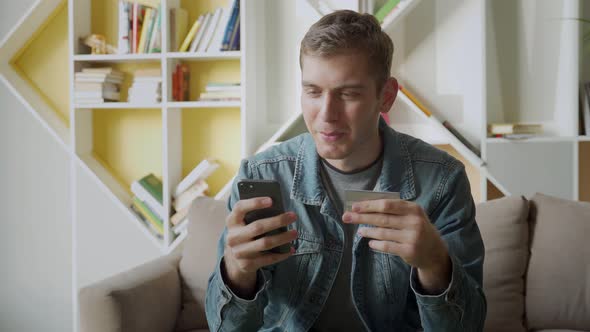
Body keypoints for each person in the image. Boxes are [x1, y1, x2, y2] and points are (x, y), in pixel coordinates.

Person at [205, 9, 486, 332]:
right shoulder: (261, 175)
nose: (327, 114)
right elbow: (225, 329)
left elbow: (468, 327)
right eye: (313, 91)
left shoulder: (441, 181)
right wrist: (237, 274)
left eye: (348, 94)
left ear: (387, 96)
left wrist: (436, 264)